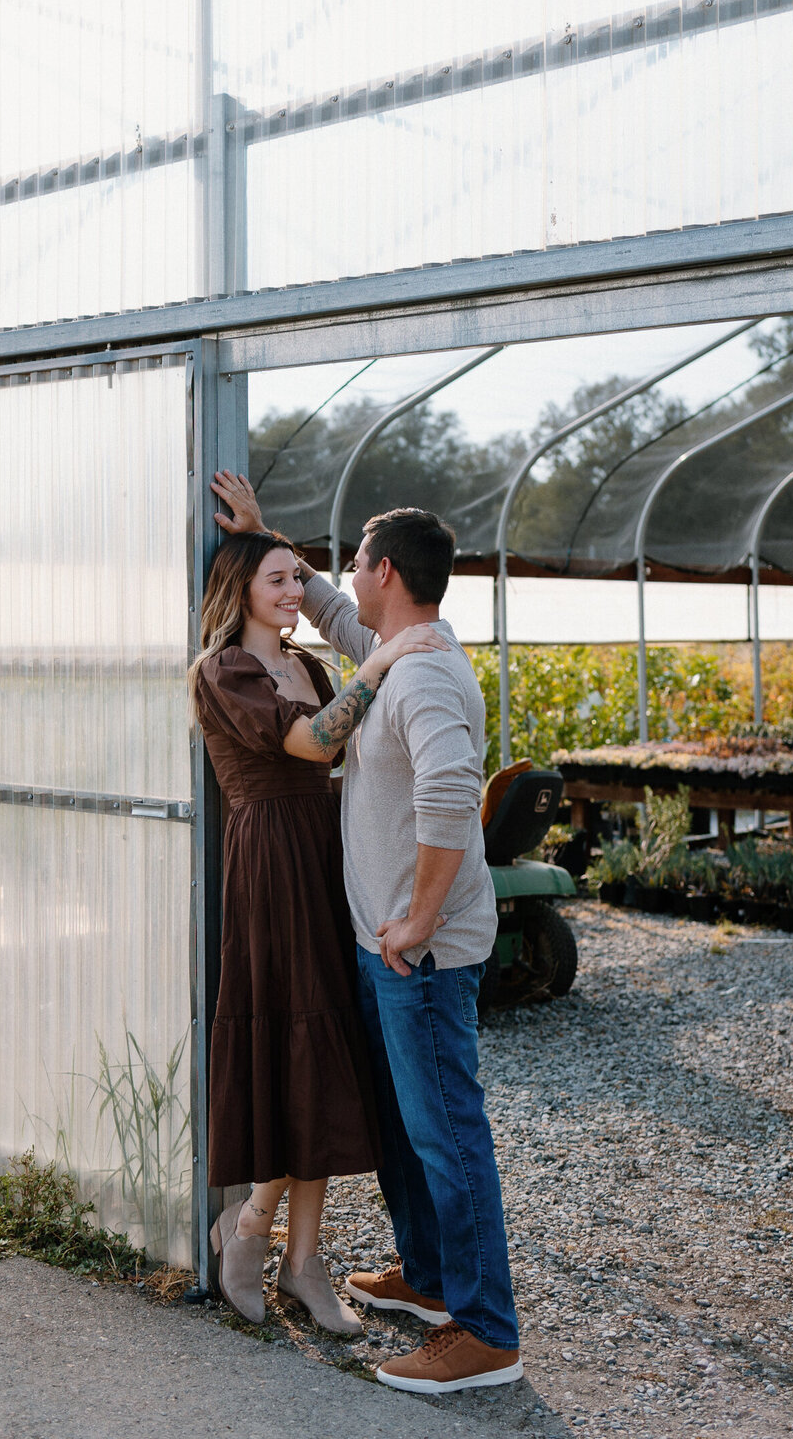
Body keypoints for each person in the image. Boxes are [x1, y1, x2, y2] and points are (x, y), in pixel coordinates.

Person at [212, 472, 523, 1396]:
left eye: (353, 565)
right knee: (400, 1125)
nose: (336, 580)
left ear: (386, 571)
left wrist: (421, 919)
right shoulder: (395, 641)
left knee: (447, 1136)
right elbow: (346, 631)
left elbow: (447, 796)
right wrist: (267, 541)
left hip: (418, 948)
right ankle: (428, 1283)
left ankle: (484, 1333)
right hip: (384, 939)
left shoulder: (422, 670)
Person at [190, 525, 446, 1333]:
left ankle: (303, 1259)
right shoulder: (221, 670)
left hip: (321, 854)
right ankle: (252, 1228)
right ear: (240, 592)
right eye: (277, 581)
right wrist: (380, 659)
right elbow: (309, 743)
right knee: (291, 1042)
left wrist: (362, 665)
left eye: (297, 579)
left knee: (324, 1051)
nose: (294, 593)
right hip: (269, 862)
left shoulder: (307, 664)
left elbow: (340, 744)